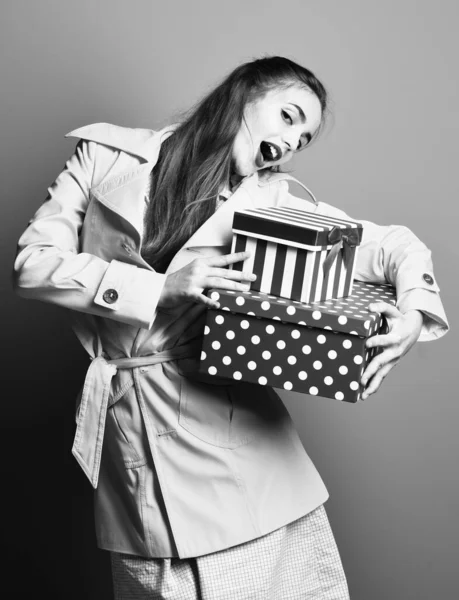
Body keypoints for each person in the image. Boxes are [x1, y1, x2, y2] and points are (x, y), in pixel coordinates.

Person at [13, 56, 448, 599]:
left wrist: (413, 312)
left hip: (238, 438)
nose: (291, 143)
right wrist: (159, 290)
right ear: (243, 94)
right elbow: (32, 266)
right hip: (130, 432)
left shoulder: (272, 201)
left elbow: (389, 244)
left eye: (304, 138)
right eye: (288, 117)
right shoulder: (105, 155)